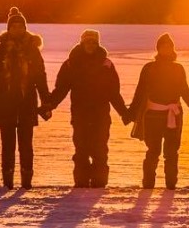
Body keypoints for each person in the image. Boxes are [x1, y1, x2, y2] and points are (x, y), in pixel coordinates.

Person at [44, 29, 129, 188]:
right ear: (82, 43)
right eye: (88, 42)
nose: (90, 45)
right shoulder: (71, 63)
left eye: (94, 42)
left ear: (98, 44)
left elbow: (113, 93)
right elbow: (61, 89)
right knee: (81, 148)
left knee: (100, 149)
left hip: (101, 114)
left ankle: (99, 182)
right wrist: (49, 105)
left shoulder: (106, 64)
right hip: (80, 113)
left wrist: (124, 113)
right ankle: (81, 181)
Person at [0, 7, 51, 189]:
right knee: (8, 144)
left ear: (25, 29)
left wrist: (46, 101)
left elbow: (40, 77)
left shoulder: (33, 50)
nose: (18, 30)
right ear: (9, 29)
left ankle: (27, 181)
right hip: (5, 103)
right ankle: (8, 180)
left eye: (21, 26)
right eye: (14, 26)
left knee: (26, 145)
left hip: (27, 103)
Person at [128, 33, 189, 189]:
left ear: (172, 49)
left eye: (169, 46)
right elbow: (140, 92)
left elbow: (186, 93)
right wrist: (129, 114)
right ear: (158, 49)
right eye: (163, 46)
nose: (166, 49)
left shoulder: (178, 68)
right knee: (153, 150)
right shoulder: (149, 68)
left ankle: (171, 185)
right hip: (153, 116)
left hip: (174, 115)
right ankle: (148, 185)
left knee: (171, 152)